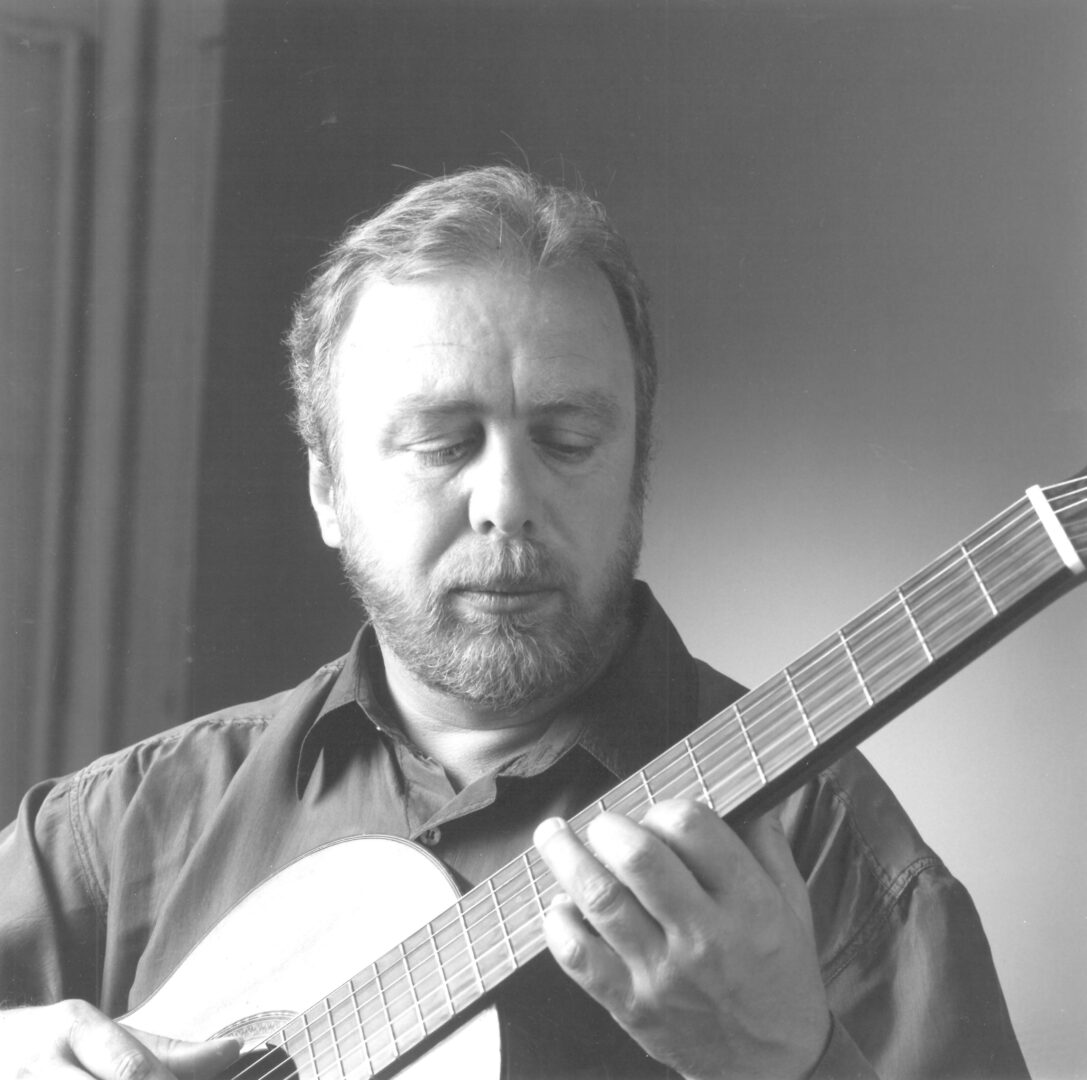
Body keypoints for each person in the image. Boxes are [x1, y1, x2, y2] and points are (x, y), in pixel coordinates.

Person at [0, 166, 1028, 1080]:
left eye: (567, 438)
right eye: (442, 444)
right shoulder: (126, 828)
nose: (507, 499)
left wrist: (787, 1067)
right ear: (326, 489)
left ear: (637, 473)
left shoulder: (822, 848)